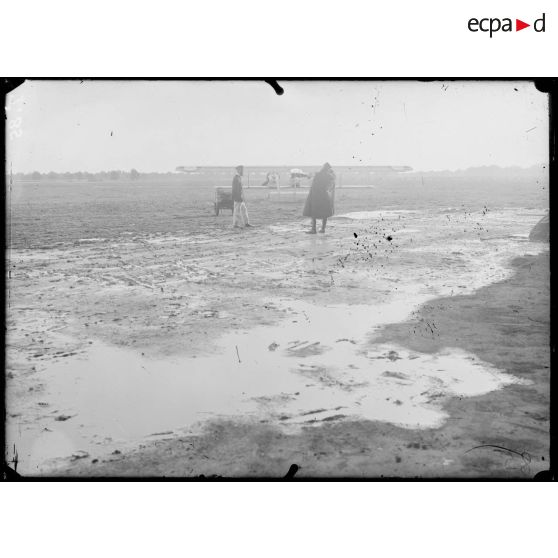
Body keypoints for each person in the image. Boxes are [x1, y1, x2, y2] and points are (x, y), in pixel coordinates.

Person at [302, 162, 335, 233]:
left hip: (315, 195)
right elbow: (330, 186)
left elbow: (313, 184)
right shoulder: (329, 176)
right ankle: (323, 229)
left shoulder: (318, 174)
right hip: (324, 195)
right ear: (328, 169)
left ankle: (313, 229)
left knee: (314, 211)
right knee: (325, 212)